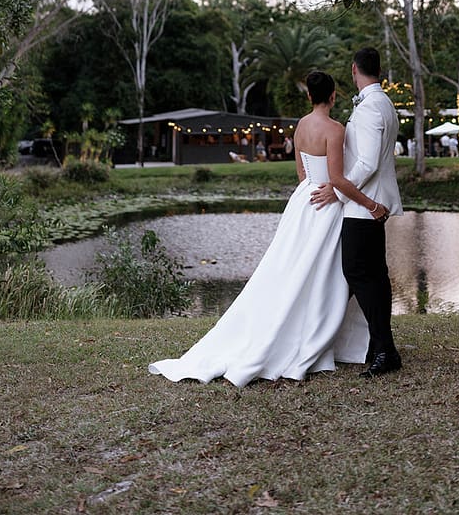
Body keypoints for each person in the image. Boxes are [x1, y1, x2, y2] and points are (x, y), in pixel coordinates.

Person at [149, 70, 385, 387]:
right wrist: (370, 204)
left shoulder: (301, 125)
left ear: (309, 96)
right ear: (333, 96)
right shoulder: (335, 129)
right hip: (326, 203)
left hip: (303, 201)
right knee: (322, 275)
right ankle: (315, 335)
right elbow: (339, 179)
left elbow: (302, 173)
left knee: (292, 269)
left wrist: (312, 192)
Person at [311, 47, 403, 378]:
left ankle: (384, 349)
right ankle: (380, 346)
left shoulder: (368, 109)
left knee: (360, 273)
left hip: (364, 206)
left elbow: (366, 162)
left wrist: (338, 190)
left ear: (353, 69)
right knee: (374, 276)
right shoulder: (384, 103)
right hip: (369, 202)